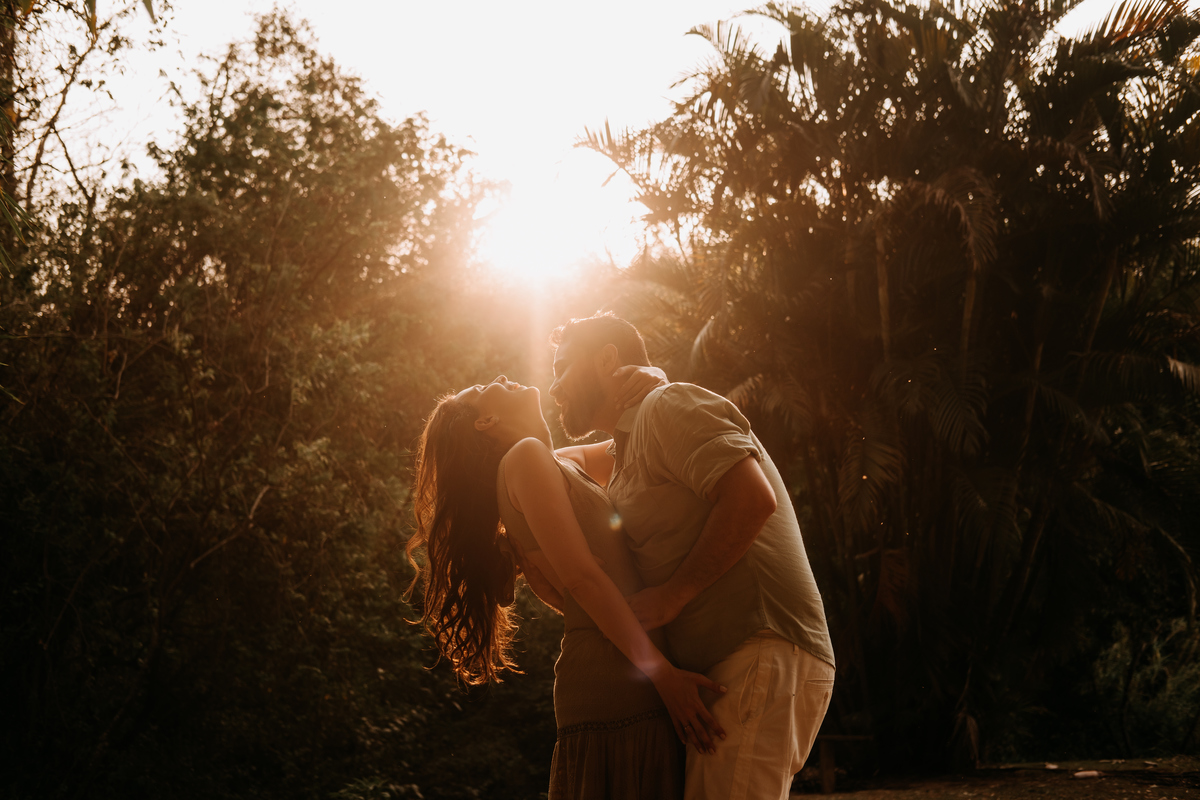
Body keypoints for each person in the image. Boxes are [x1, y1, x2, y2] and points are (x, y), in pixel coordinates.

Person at [546, 313, 837, 800]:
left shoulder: (667, 405)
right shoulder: (627, 447)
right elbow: (548, 466)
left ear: (606, 359)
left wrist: (673, 595)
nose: (554, 387)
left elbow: (752, 499)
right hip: (732, 666)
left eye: (562, 368)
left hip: (759, 649)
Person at [407, 370, 726, 799]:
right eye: (482, 389)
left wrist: (656, 380)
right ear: (486, 422)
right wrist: (663, 676)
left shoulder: (556, 461)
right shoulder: (524, 458)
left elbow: (641, 441)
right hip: (617, 682)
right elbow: (582, 580)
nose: (500, 376)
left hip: (632, 672)